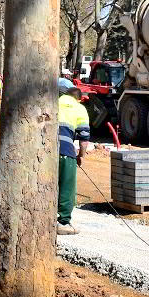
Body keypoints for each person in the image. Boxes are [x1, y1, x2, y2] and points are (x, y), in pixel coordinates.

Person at [57, 77, 91, 235]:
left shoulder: (50, 103)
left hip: (44, 152)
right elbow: (84, 139)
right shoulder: (79, 109)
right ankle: (63, 222)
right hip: (65, 152)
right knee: (66, 187)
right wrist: (80, 156)